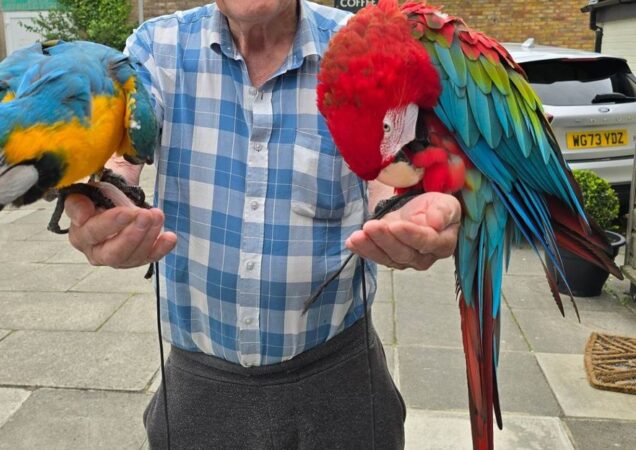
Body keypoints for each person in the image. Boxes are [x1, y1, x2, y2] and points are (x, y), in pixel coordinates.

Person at [65, 1, 461, 448]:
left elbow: (388, 160)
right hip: (199, 390)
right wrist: (108, 196)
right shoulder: (158, 46)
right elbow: (125, 144)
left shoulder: (361, 43)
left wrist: (398, 212)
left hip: (340, 382)